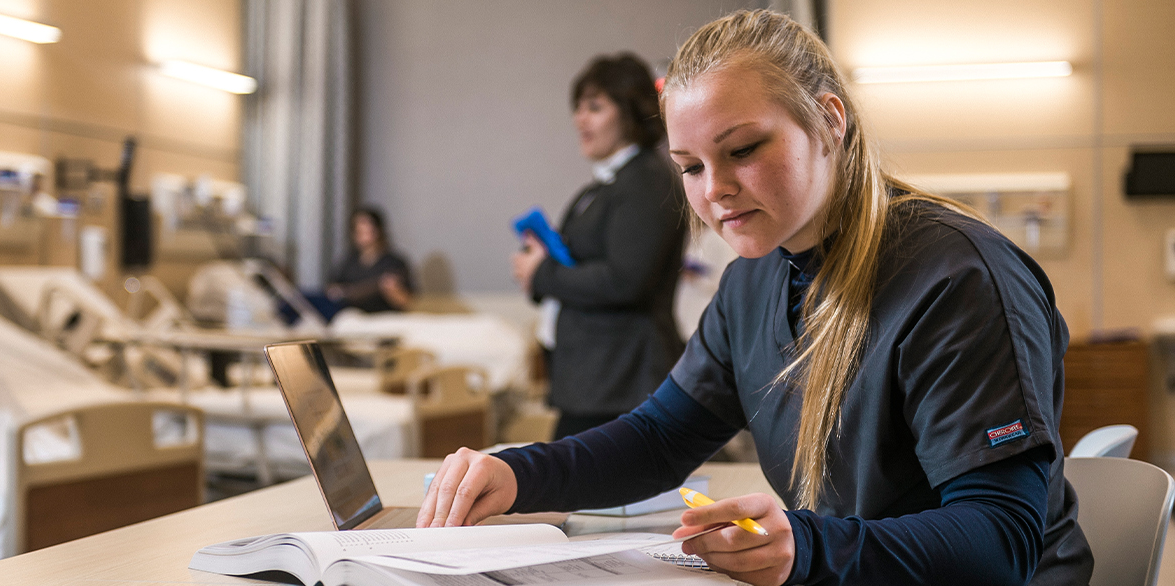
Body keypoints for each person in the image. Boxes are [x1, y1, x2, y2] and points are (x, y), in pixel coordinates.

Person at [420, 10, 1091, 586]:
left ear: (830, 120)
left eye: (741, 149)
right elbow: (660, 438)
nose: (713, 189)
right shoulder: (755, 275)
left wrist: (805, 548)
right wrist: (515, 475)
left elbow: (1000, 542)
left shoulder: (955, 277)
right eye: (689, 167)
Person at [512, 53, 686, 440]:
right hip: (594, 381)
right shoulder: (604, 186)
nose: (580, 119)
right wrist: (540, 271)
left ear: (630, 110)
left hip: (621, 379)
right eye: (578, 108)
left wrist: (542, 273)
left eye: (594, 107)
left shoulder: (645, 181)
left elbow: (625, 281)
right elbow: (581, 266)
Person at [325, 207, 413, 314]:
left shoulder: (394, 263)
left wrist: (393, 291)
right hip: (352, 317)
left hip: (384, 316)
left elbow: (406, 302)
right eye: (359, 230)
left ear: (378, 230)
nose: (364, 233)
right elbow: (332, 289)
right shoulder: (348, 262)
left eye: (368, 229)